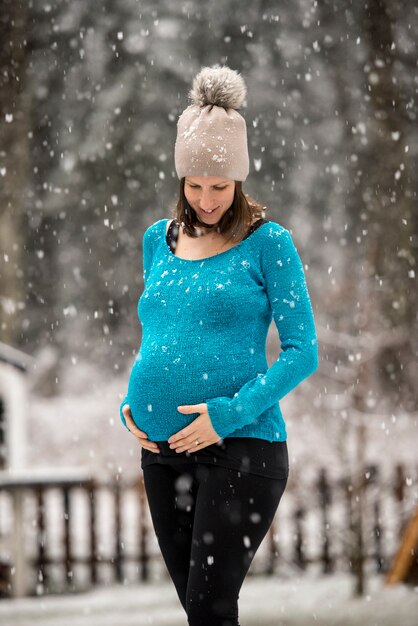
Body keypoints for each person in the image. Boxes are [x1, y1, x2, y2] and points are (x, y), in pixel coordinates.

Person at [119, 65, 318, 626]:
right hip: (161, 453)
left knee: (210, 606)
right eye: (195, 184)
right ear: (181, 179)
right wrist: (130, 404)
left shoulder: (268, 244)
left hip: (243, 450)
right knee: (198, 612)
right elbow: (159, 335)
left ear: (240, 180)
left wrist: (225, 416)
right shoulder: (157, 241)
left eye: (220, 185)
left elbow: (304, 351)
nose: (206, 199)